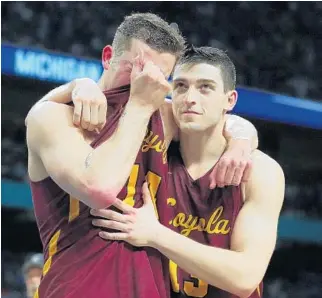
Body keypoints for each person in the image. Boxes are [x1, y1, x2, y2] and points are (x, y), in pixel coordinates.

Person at [26, 13, 256, 298]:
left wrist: (241, 141)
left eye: (160, 76)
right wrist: (78, 85)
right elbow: (99, 189)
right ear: (108, 57)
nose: (146, 81)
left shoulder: (160, 114)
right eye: (137, 67)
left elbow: (220, 119)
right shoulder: (55, 116)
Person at [91, 47, 285, 298]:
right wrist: (80, 87)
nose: (190, 98)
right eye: (181, 86)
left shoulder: (260, 171)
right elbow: (113, 99)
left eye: (205, 87)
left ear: (230, 100)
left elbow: (245, 277)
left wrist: (154, 234)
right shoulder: (154, 148)